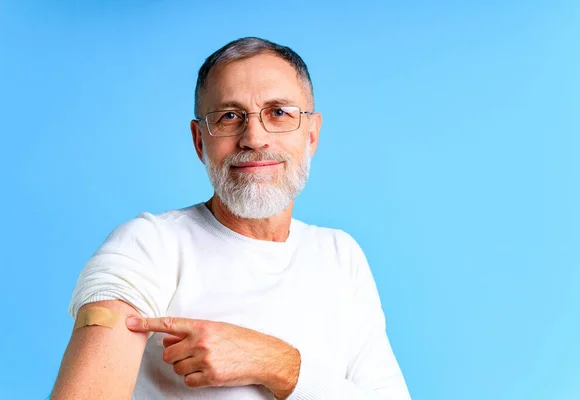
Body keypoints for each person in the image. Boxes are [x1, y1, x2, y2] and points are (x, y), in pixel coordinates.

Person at [51, 37, 411, 400]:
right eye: (228, 116)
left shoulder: (339, 255)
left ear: (312, 134)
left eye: (279, 113)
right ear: (199, 141)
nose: (254, 138)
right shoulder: (149, 246)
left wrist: (276, 363)